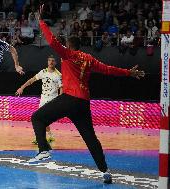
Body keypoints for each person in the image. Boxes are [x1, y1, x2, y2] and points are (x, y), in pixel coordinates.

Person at [28, 5, 145, 185]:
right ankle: (105, 171)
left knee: (37, 118)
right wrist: (129, 72)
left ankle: (44, 150)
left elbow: (51, 41)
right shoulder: (89, 59)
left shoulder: (68, 54)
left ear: (69, 45)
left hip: (69, 98)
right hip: (83, 103)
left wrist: (41, 21)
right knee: (90, 138)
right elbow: (109, 69)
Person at [15, 55, 62, 144]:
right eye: (49, 60)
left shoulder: (58, 75)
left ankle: (39, 138)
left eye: (53, 61)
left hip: (52, 100)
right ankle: (49, 136)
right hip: (43, 99)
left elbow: (61, 88)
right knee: (41, 119)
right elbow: (32, 80)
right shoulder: (43, 72)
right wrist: (22, 87)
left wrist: (60, 99)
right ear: (47, 62)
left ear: (55, 63)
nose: (51, 62)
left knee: (41, 118)